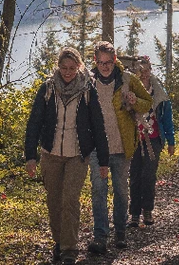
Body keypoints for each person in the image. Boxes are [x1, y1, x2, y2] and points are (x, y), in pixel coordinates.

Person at [23, 47, 111, 265]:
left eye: (72, 68)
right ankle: (59, 243)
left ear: (79, 66)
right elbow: (34, 123)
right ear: (58, 66)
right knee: (54, 201)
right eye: (64, 68)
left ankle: (69, 249)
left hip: (77, 155)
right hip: (50, 154)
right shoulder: (48, 88)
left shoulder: (88, 90)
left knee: (70, 200)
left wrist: (104, 160)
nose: (68, 72)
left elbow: (98, 126)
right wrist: (30, 156)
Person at [87, 41, 152, 254]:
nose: (104, 66)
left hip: (122, 146)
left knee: (121, 191)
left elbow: (147, 102)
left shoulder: (127, 79)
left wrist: (134, 101)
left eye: (108, 62)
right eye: (100, 62)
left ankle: (121, 232)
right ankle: (100, 236)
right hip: (97, 149)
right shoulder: (89, 81)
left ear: (115, 60)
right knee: (98, 191)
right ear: (95, 61)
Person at [129, 55, 176, 228]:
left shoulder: (158, 91)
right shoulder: (130, 89)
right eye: (140, 71)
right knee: (134, 176)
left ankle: (147, 209)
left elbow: (167, 118)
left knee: (148, 175)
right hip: (134, 139)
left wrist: (171, 140)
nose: (144, 74)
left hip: (154, 138)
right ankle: (134, 213)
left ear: (150, 70)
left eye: (146, 70)